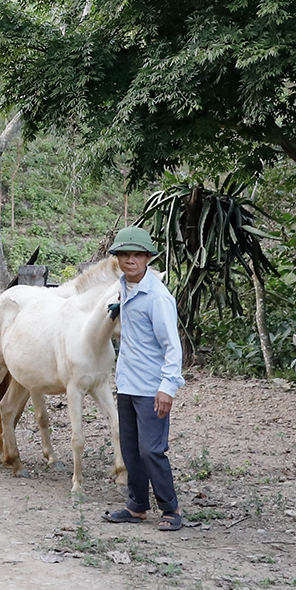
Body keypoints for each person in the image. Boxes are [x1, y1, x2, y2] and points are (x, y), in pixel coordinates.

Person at [100, 225, 185, 532]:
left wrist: (167, 387)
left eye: (137, 255)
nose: (130, 261)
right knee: (131, 447)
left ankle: (171, 508)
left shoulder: (158, 297)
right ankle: (136, 506)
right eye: (124, 255)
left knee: (151, 449)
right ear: (117, 259)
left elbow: (172, 347)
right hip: (128, 383)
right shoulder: (124, 287)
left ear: (148, 258)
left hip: (152, 387)